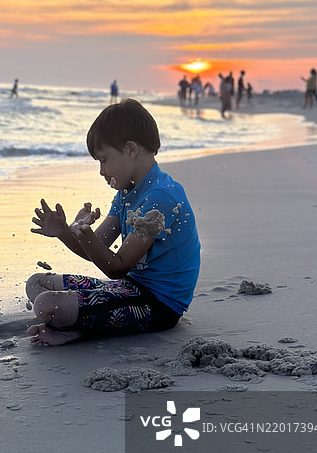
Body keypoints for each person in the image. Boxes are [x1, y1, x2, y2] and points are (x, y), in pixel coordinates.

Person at [26, 98, 201, 346]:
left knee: (47, 305)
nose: (101, 171)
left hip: (158, 306)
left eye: (104, 159)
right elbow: (96, 251)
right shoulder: (127, 194)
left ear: (130, 150)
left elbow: (117, 267)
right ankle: (81, 325)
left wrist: (85, 236)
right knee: (36, 283)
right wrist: (65, 232)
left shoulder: (161, 198)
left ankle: (80, 327)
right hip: (128, 289)